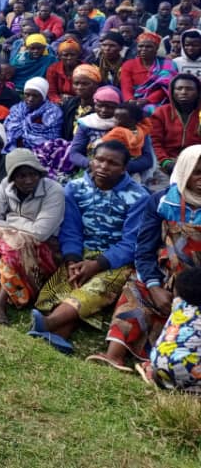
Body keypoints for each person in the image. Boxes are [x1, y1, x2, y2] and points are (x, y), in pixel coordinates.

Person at [28, 141, 150, 354]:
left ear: (124, 168)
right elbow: (71, 229)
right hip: (81, 254)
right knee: (71, 283)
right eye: (99, 159)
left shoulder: (139, 197)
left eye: (112, 163)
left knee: (97, 287)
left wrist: (98, 264)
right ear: (91, 161)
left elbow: (132, 242)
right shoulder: (75, 188)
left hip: (116, 259)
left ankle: (48, 324)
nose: (103, 166)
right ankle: (59, 336)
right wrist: (73, 259)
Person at [90, 146, 201, 373]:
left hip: (197, 285)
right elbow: (144, 248)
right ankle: (114, 355)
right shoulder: (162, 201)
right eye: (196, 172)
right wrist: (153, 286)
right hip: (165, 277)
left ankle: (165, 364)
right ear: (184, 171)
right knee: (135, 290)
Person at [0, 148, 65, 323]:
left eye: (33, 174)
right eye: (21, 176)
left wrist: (10, 222)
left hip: (43, 251)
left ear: (39, 173)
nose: (28, 180)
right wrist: (13, 229)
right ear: (12, 178)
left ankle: (0, 304)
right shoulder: (5, 186)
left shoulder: (54, 191)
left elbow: (40, 232)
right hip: (8, 238)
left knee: (17, 246)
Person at [139, 265, 201, 392]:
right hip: (190, 371)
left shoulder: (178, 304)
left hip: (158, 362)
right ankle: (188, 387)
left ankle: (156, 374)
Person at [150, 73, 201, 178]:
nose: (183, 92)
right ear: (172, 92)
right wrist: (166, 162)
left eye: (189, 89)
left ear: (198, 92)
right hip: (166, 162)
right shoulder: (161, 112)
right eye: (179, 88)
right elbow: (155, 142)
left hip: (197, 162)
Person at [119, 30, 177, 114]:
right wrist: (131, 101)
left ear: (156, 48)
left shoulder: (167, 64)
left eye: (148, 47)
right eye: (140, 46)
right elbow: (126, 87)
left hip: (160, 101)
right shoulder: (128, 64)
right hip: (133, 101)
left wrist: (147, 100)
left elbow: (165, 88)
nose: (143, 49)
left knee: (153, 110)